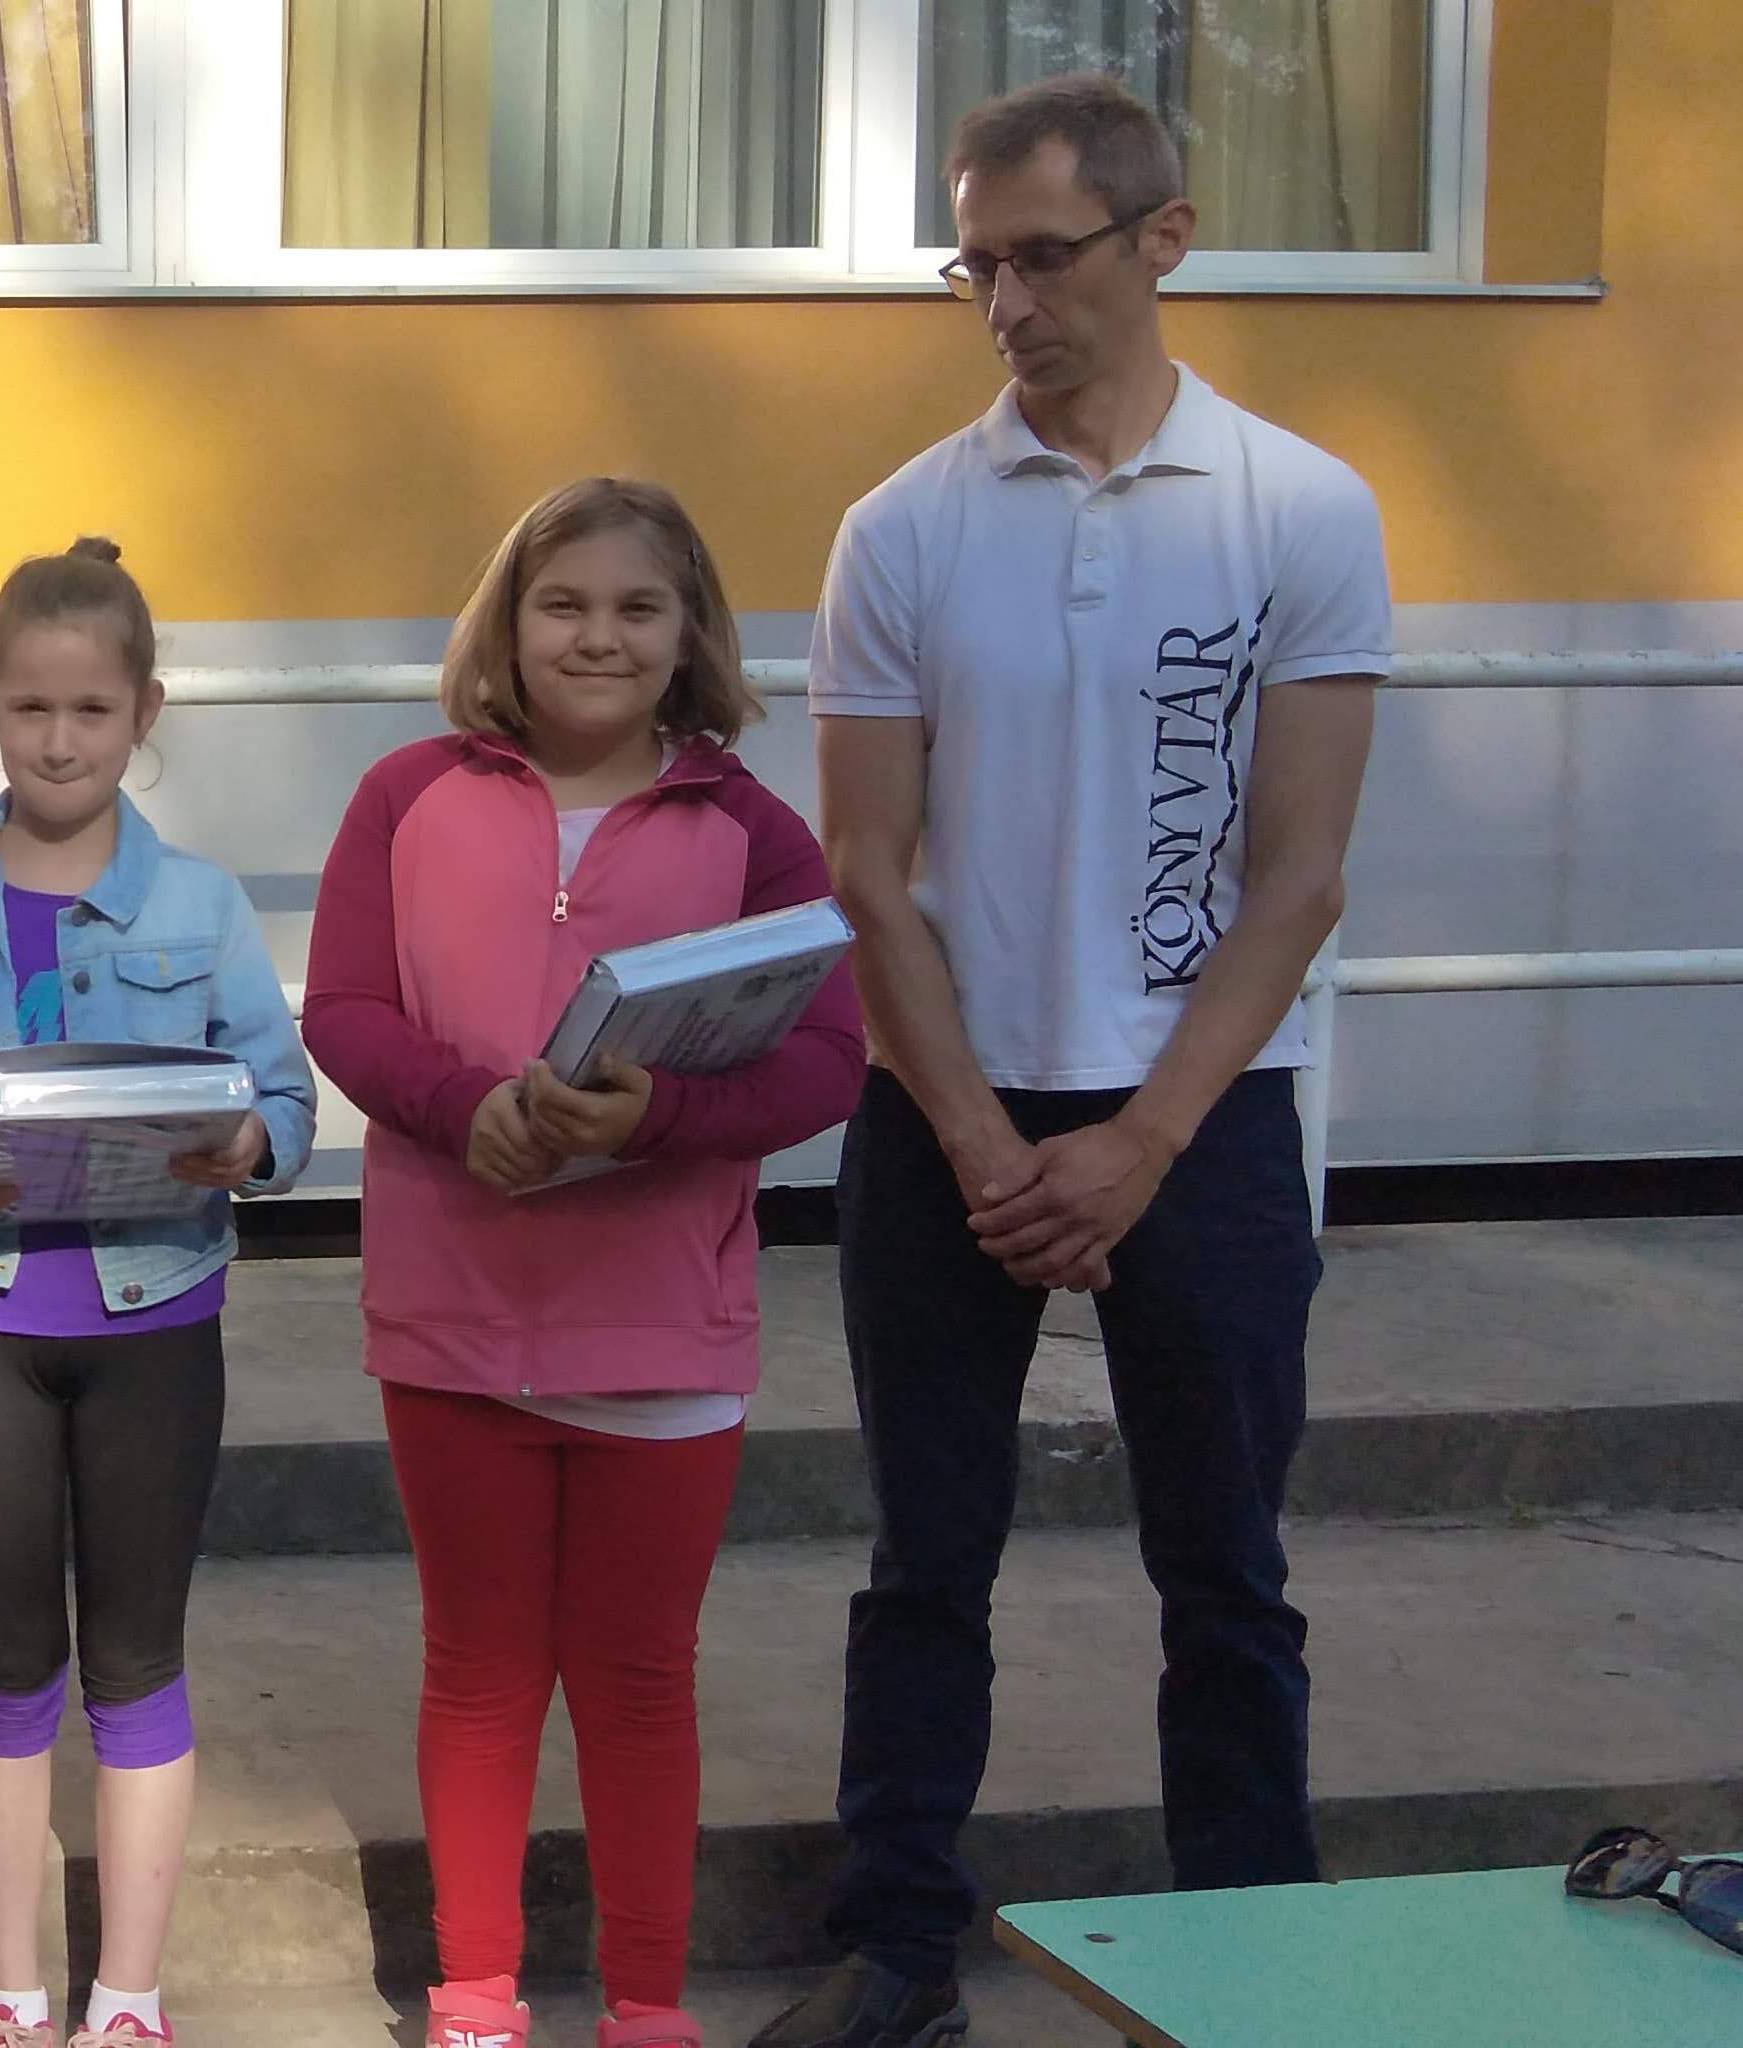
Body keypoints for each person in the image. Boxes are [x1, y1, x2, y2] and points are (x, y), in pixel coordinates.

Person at [748, 76, 1386, 2048]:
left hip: (1206, 1111)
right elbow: (867, 868)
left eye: (1041, 257)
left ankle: (1249, 1972)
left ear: (1161, 238)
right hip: (945, 1106)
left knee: (1228, 1571)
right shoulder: (903, 528)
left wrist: (1141, 1139)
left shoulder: (1301, 508)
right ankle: (898, 1955)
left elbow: (1298, 875)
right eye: (976, 267)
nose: (1007, 305)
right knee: (924, 1562)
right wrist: (973, 1136)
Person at [305, 480, 865, 2048]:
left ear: (690, 631)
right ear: (509, 622)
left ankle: (647, 2007)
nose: (597, 636)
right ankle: (475, 1995)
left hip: (663, 1329)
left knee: (635, 1681)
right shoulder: (405, 795)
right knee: (479, 1674)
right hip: (454, 1318)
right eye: (563, 604)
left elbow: (828, 1058)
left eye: (636, 607)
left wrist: (658, 1116)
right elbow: (345, 1009)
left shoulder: (755, 832)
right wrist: (462, 1108)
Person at [0, 538, 317, 2048]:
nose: (60, 741)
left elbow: (283, 1096)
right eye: (32, 708)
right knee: (6, 1664)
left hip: (155, 1324)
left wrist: (249, 1142)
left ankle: (128, 1998)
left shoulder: (202, 904)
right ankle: (12, 1991)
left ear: (144, 713)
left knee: (136, 1662)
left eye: (94, 711)